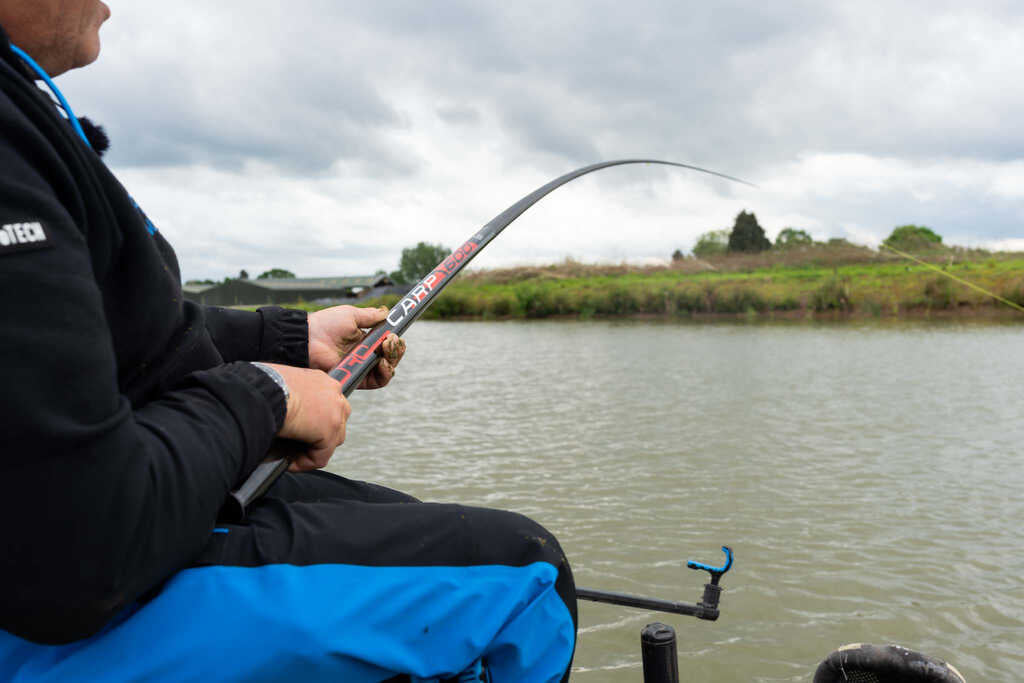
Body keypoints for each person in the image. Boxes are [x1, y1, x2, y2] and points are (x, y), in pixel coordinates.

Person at [0, 2, 577, 680]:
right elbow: (77, 547)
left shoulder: (20, 113)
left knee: (427, 530)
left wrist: (291, 338)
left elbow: (105, 334)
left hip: (115, 522)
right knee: (526, 575)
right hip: (56, 600)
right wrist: (267, 397)